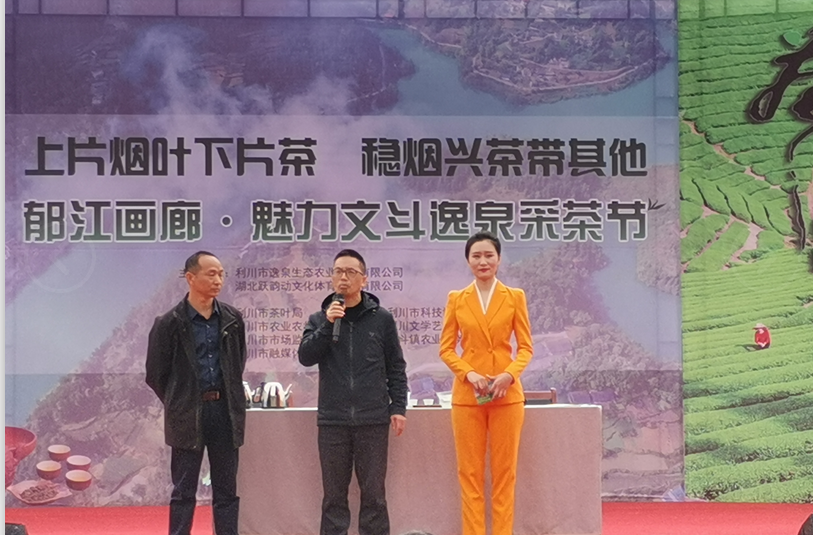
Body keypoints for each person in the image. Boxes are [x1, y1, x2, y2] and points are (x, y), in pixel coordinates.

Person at [298, 249, 408, 535]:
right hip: (333, 421)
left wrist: (398, 407)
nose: (343, 277)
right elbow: (305, 356)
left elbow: (396, 366)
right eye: (338, 271)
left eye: (350, 272)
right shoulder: (319, 319)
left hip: (373, 419)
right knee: (334, 497)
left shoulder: (381, 319)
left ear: (364, 279)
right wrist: (327, 325)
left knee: (374, 496)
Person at [146, 251, 247, 535]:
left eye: (221, 274)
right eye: (211, 274)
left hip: (224, 412)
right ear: (190, 278)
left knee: (227, 490)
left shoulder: (232, 319)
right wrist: (180, 401)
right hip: (187, 414)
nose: (218, 280)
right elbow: (155, 375)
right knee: (183, 491)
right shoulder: (169, 322)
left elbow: (237, 364)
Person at [439, 232, 533, 535]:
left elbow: (526, 348)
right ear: (468, 260)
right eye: (476, 256)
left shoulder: (514, 296)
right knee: (470, 474)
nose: (483, 261)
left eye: (489, 255)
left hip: (507, 396)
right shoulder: (457, 299)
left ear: (499, 259)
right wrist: (469, 374)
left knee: (505, 474)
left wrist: (509, 374)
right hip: (468, 397)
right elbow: (446, 349)